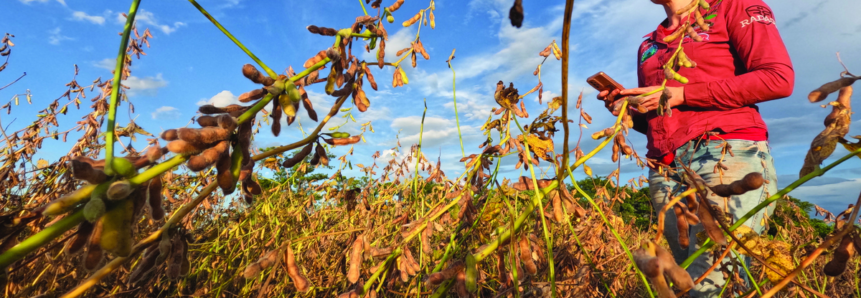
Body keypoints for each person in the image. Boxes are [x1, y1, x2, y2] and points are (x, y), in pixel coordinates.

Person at [597, 0, 794, 296]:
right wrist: (630, 110)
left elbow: (778, 79)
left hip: (725, 151)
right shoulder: (649, 44)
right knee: (689, 278)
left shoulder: (736, 7)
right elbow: (661, 115)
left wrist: (684, 93)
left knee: (714, 279)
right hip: (665, 167)